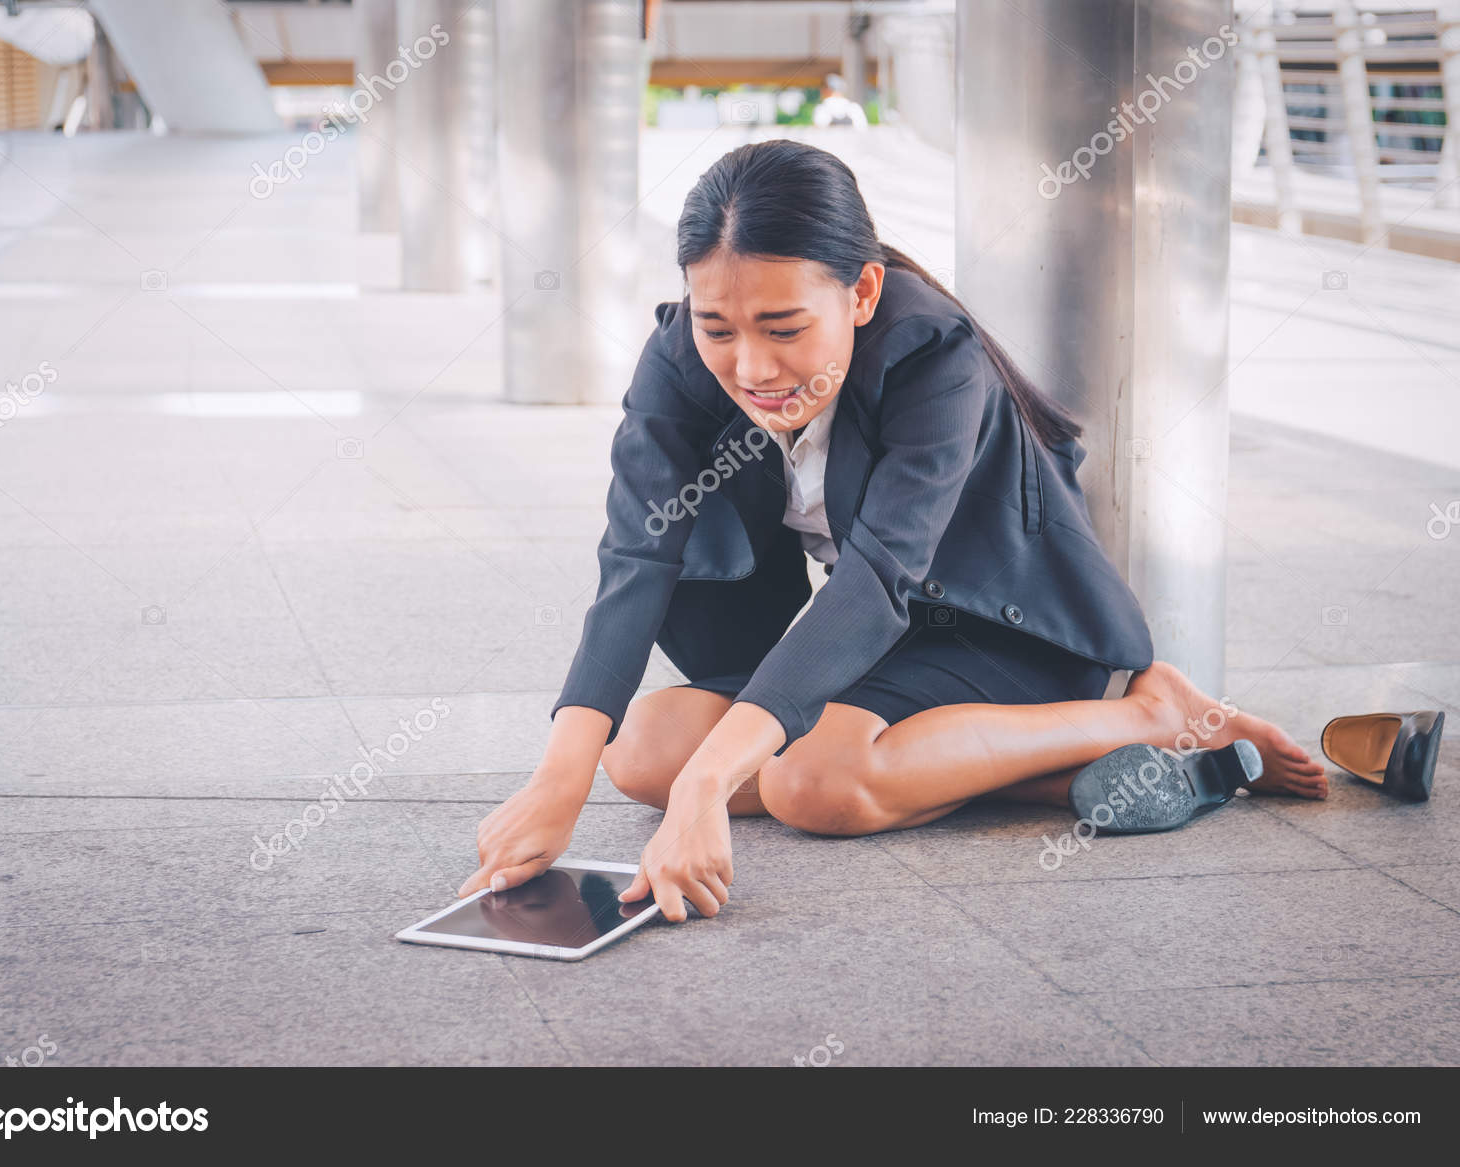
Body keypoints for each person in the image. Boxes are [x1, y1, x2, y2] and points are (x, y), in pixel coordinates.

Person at [460, 139, 1325, 923]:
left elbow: (877, 575)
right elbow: (637, 554)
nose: (751, 368)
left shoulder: (932, 356)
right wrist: (556, 782)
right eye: (717, 325)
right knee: (641, 751)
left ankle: (1147, 713)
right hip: (874, 638)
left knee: (808, 781)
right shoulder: (683, 356)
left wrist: (714, 783)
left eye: (784, 327)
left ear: (862, 290)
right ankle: (1024, 775)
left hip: (1004, 631)